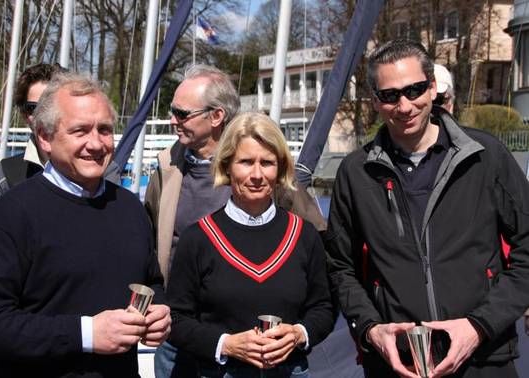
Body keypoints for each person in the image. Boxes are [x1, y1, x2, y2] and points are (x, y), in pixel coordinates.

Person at [326, 39, 529, 378]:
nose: (404, 105)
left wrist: (480, 325)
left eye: (415, 89)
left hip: (484, 359)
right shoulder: (356, 172)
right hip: (397, 364)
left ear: (433, 88)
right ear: (376, 101)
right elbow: (339, 267)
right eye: (390, 95)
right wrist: (371, 329)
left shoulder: (486, 156)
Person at [0, 72, 171, 377]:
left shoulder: (130, 209)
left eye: (104, 130)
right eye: (80, 130)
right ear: (45, 138)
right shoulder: (11, 214)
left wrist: (158, 314)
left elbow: (151, 281)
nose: (96, 143)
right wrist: (85, 334)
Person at [144, 64, 326, 377]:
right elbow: (148, 242)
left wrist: (299, 331)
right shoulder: (167, 169)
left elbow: (318, 272)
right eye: (245, 163)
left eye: (182, 113)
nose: (173, 119)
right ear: (229, 168)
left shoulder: (293, 213)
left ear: (215, 116)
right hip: (186, 335)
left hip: (277, 359)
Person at [0, 63, 66, 228]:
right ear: (25, 115)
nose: (43, 114)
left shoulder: (98, 171)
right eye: (33, 108)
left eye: (51, 105)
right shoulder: (2, 176)